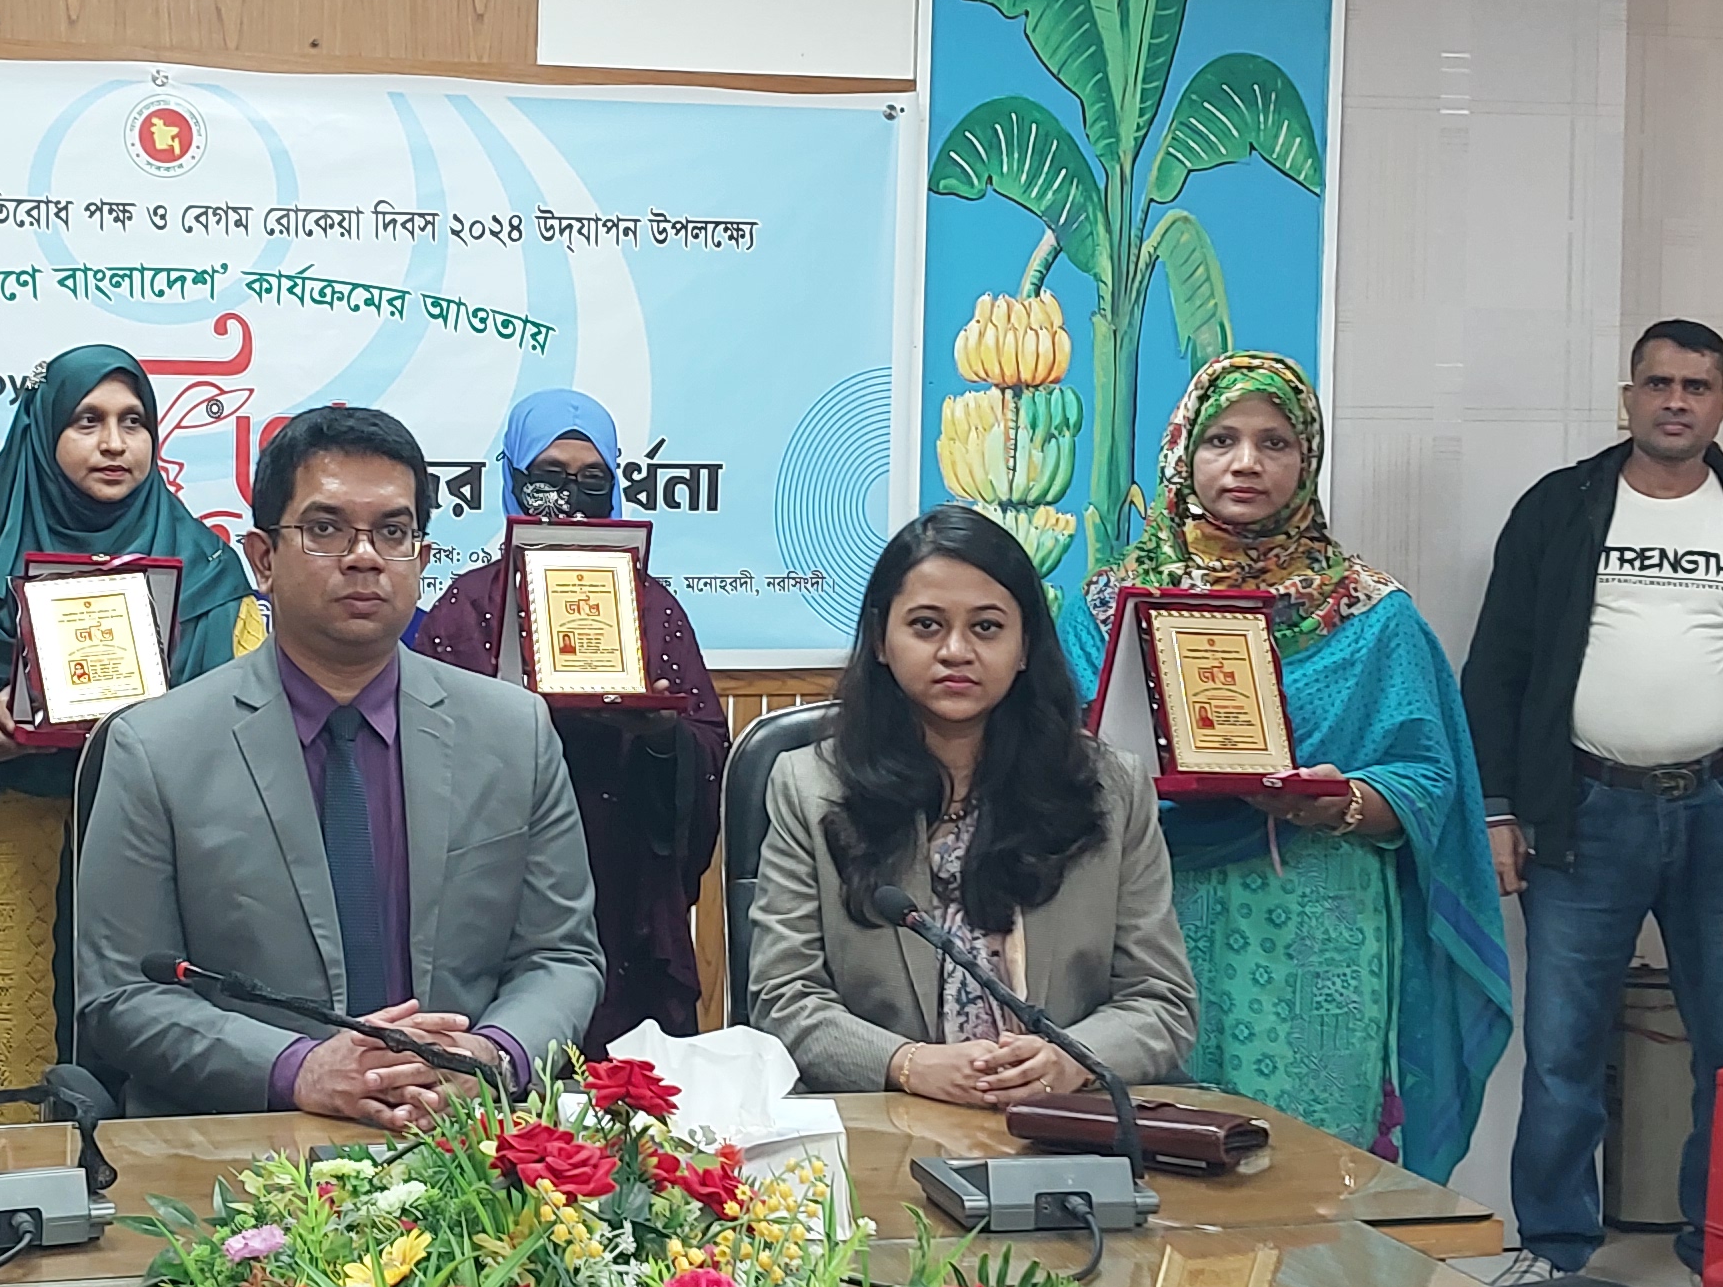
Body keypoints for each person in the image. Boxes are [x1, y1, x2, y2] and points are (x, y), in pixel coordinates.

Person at [73, 403, 600, 1123]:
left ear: (422, 556)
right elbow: (120, 994)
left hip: (461, 1138)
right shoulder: (156, 748)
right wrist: (299, 1070)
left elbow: (562, 956)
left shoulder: (515, 732)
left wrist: (492, 1057)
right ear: (262, 558)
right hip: (238, 1139)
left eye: (393, 532)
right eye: (325, 529)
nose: (364, 557)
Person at [1460, 320, 1723, 1271]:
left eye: (1696, 387)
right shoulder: (1562, 508)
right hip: (1586, 814)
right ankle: (1555, 1246)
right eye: (1658, 383)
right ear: (1628, 398)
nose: (1675, 401)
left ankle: (1722, 1244)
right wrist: (1498, 809)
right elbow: (1497, 665)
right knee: (1562, 1049)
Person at [1102, 352, 1509, 1172]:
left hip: (1319, 918)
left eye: (1275, 442)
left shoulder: (1371, 615)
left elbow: (1430, 777)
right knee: (1160, 1149)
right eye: (1221, 439)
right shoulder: (1109, 606)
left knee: (1312, 1161)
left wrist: (1346, 801)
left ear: (1308, 459)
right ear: (1182, 452)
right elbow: (1067, 763)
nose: (1246, 463)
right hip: (1152, 913)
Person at [751, 506, 1197, 1103]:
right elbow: (783, 996)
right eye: (926, 626)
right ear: (881, 639)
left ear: (1024, 645)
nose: (956, 651)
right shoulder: (809, 786)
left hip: (1063, 1121)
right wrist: (908, 1065)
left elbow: (1161, 1000)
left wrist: (1071, 1060)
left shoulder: (1111, 788)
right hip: (885, 1119)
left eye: (986, 627)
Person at [0, 343, 257, 1088]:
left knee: (162, 1094)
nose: (114, 444)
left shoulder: (211, 577)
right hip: (11, 853)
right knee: (8, 1096)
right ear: (41, 434)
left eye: (134, 422)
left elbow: (246, 734)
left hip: (169, 869)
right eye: (87, 421)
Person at [412, 387, 730, 1054]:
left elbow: (706, 746)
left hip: (623, 880)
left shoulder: (653, 608)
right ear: (512, 479)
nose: (570, 499)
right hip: (495, 888)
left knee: (629, 1103)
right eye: (549, 477)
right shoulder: (466, 606)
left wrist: (663, 738)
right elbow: (418, 746)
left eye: (592, 480)